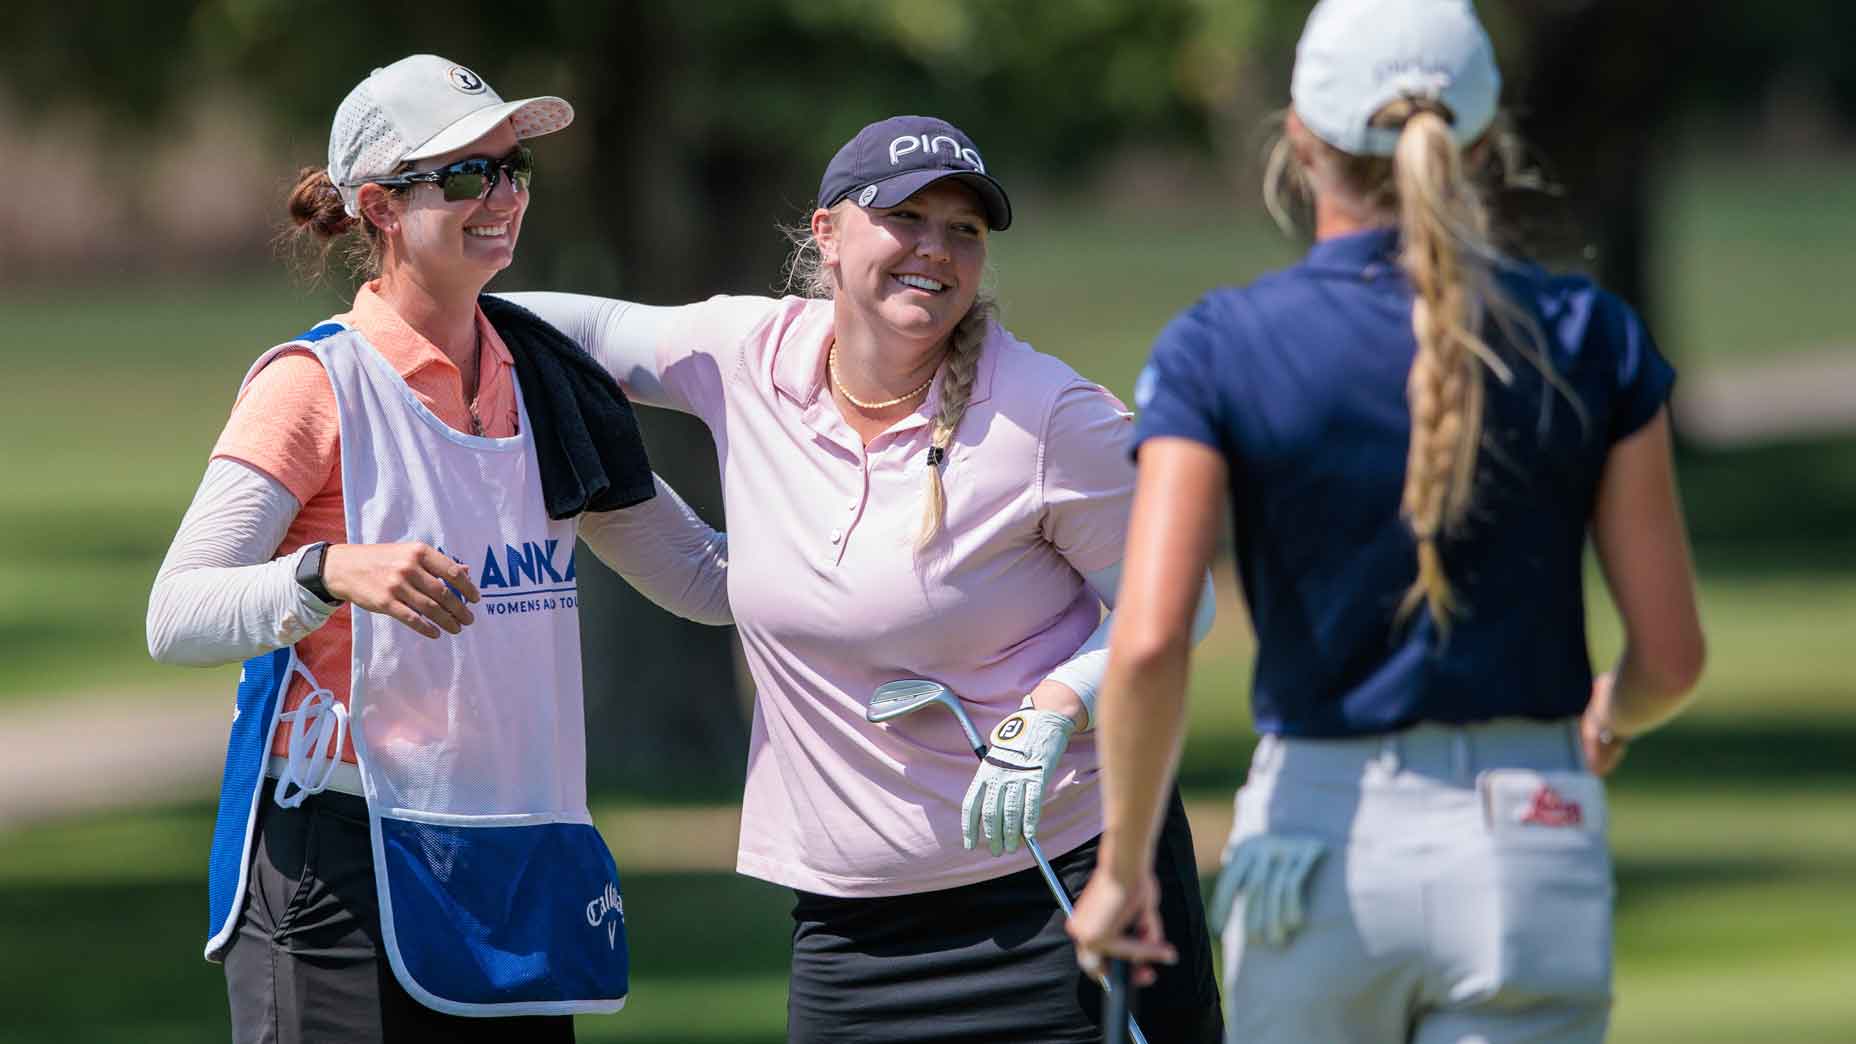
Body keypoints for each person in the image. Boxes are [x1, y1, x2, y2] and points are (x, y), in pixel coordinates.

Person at [505, 115, 1224, 1042]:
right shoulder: (748, 354)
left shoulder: (1047, 416)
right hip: (851, 933)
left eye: (963, 229)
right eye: (906, 217)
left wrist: (1058, 704)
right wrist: (429, 321)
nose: (936, 249)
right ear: (828, 235)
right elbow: (592, 328)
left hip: (1063, 897)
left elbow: (1180, 601)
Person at [1068, 2, 1707, 1042]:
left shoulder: (1218, 344)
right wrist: (1606, 720)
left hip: (1317, 847)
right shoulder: (1589, 334)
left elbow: (1146, 640)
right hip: (1527, 837)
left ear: (1299, 139)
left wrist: (1123, 863)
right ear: (1484, 142)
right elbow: (1669, 657)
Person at [146, 55, 727, 1042]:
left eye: (514, 170)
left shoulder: (549, 380)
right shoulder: (311, 385)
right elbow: (176, 614)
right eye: (465, 176)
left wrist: (879, 538)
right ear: (377, 206)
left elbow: (701, 580)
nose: (501, 197)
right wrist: (329, 570)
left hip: (513, 860)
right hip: (332, 866)